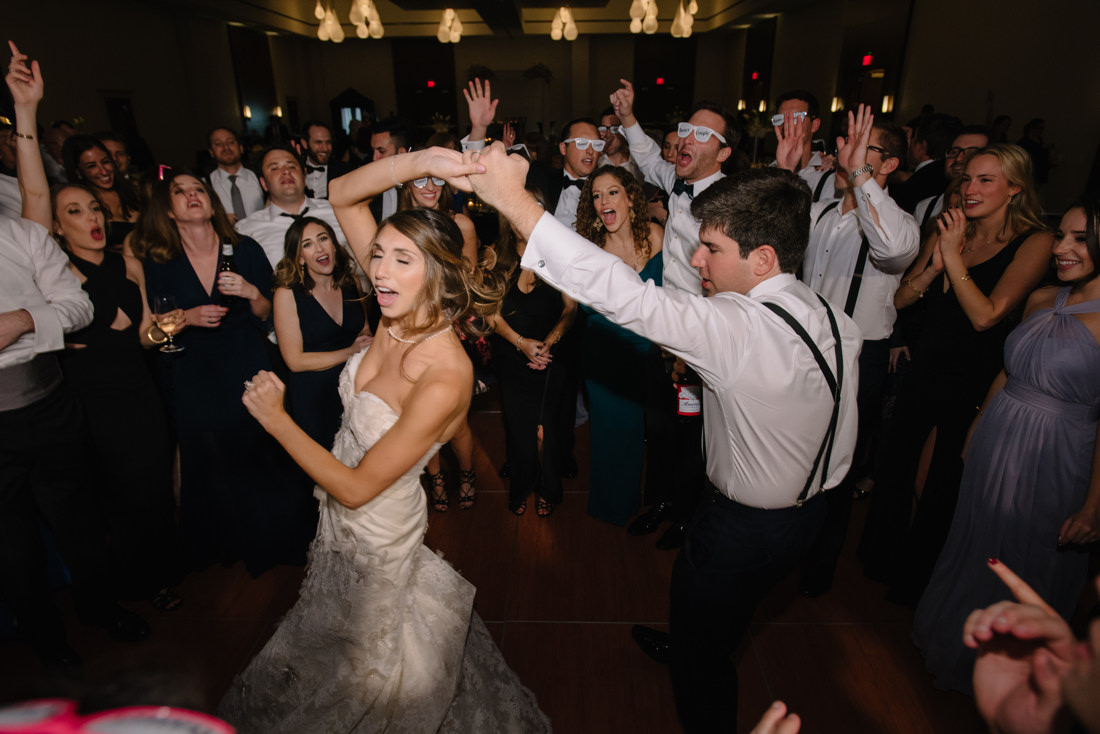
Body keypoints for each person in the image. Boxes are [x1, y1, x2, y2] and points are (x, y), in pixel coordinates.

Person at [466, 142, 861, 733]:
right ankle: (697, 638)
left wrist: (512, 201)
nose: (697, 260)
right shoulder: (830, 315)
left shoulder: (735, 327)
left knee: (704, 662)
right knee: (721, 617)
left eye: (713, 249)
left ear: (763, 259)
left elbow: (623, 295)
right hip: (811, 516)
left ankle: (698, 669)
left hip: (741, 527)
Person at [217, 147, 551, 733]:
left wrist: (277, 419)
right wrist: (424, 161)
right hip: (337, 512)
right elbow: (343, 192)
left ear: (441, 271)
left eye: (402, 259)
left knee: (374, 659)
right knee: (331, 623)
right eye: (376, 255)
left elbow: (354, 487)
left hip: (377, 519)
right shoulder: (394, 313)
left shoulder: (446, 373)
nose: (379, 271)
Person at [10, 44, 181, 610]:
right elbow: (36, 194)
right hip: (88, 406)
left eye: (94, 208)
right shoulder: (54, 272)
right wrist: (27, 111)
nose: (92, 218)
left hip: (140, 394)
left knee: (155, 490)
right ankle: (125, 591)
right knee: (113, 502)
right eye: (75, 212)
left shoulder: (126, 261)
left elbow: (144, 337)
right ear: (54, 230)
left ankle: (158, 580)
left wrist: (167, 329)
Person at [914, 198, 1100, 693]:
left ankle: (1017, 677)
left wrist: (1094, 505)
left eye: (1080, 239)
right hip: (999, 433)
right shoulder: (1041, 298)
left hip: (1058, 452)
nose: (1061, 247)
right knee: (977, 540)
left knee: (1030, 556)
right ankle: (961, 645)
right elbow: (1009, 368)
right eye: (1062, 235)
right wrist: (978, 424)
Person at [861, 144, 1054, 606]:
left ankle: (923, 582)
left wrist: (954, 258)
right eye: (967, 179)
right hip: (925, 369)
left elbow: (987, 316)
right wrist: (934, 264)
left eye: (986, 180)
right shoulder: (952, 227)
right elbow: (902, 301)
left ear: (1015, 188)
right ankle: (887, 565)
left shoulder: (1035, 241)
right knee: (899, 470)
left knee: (938, 482)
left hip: (974, 379)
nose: (970, 189)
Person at [137, 169, 314, 575]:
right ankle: (226, 540)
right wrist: (186, 316)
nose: (191, 195)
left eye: (198, 188)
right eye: (179, 192)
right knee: (208, 453)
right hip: (190, 365)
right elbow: (148, 332)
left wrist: (252, 292)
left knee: (259, 445)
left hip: (244, 355)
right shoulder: (158, 261)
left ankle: (276, 536)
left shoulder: (244, 247)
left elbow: (268, 312)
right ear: (168, 209)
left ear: (211, 201)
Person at [776, 104, 920, 597]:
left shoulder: (900, 223)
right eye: (844, 142)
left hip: (860, 362)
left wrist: (860, 175)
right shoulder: (818, 212)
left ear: (890, 165)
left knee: (837, 469)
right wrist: (787, 171)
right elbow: (765, 235)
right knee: (794, 456)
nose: (845, 150)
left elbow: (893, 252)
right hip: (804, 351)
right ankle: (781, 553)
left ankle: (817, 573)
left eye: (864, 147)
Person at [610, 79, 740, 549]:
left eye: (702, 134)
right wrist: (628, 115)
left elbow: (729, 285)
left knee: (695, 435)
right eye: (686, 129)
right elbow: (646, 156)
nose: (686, 138)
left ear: (723, 154)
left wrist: (694, 348)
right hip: (661, 332)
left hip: (699, 339)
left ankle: (688, 516)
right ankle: (663, 502)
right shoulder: (677, 184)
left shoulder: (731, 203)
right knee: (660, 425)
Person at [574, 164, 663, 525]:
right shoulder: (591, 249)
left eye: (611, 192)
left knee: (657, 434)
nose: (603, 201)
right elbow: (579, 306)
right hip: (608, 355)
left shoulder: (656, 236)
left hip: (655, 352)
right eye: (595, 195)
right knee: (613, 434)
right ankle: (613, 507)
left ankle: (659, 503)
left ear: (630, 198)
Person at [396, 171, 482, 510]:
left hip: (450, 329)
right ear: (407, 185)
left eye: (437, 181)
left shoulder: (461, 224)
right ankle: (435, 477)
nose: (430, 187)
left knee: (456, 420)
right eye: (420, 181)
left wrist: (445, 308)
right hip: (411, 331)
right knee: (420, 416)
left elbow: (471, 278)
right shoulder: (397, 226)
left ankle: (467, 473)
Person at [490, 186, 578, 517]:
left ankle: (548, 486)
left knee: (548, 429)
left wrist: (548, 343)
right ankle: (524, 484)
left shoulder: (560, 258)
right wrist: (521, 343)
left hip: (552, 358)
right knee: (519, 427)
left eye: (533, 206)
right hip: (512, 358)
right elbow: (491, 314)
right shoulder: (495, 258)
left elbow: (571, 310)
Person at [273, 216, 371, 448]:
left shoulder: (351, 282)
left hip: (356, 389)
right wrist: (351, 351)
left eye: (323, 238)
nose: (319, 248)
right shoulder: (287, 294)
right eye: (307, 244)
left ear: (334, 245)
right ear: (299, 258)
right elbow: (294, 361)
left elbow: (363, 329)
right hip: (315, 397)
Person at [234, 145, 348, 268]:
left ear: (304, 175)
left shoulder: (337, 210)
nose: (286, 172)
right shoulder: (246, 230)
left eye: (291, 166)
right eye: (274, 168)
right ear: (263, 183)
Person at [62, 133, 139, 249]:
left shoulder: (135, 190)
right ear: (78, 171)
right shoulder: (80, 206)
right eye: (92, 166)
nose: (103, 171)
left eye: (105, 162)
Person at [913, 125, 990, 230]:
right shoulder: (925, 207)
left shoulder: (993, 212)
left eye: (971, 153)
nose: (958, 159)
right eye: (954, 152)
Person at [773, 89, 838, 202]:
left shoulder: (828, 175)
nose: (786, 124)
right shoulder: (769, 172)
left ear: (814, 125)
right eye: (780, 119)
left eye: (795, 118)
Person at [890, 113, 963, 214]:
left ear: (921, 146)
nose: (909, 145)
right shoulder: (951, 177)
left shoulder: (913, 186)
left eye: (913, 139)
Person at [206, 127, 264, 223]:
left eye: (231, 142)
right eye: (218, 144)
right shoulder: (205, 184)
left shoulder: (260, 177)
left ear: (241, 148)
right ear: (211, 152)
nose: (226, 148)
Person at [367, 117, 412, 222]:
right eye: (373, 151)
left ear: (401, 154)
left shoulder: (418, 189)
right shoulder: (369, 189)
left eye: (381, 151)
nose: (374, 158)